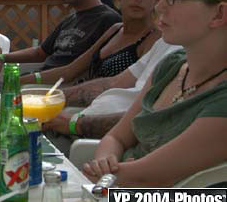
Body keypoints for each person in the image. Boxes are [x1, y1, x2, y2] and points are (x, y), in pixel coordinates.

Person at [83, 0, 227, 187]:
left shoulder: (222, 100)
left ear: (219, 13)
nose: (159, 6)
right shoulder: (172, 66)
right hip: (111, 196)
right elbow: (117, 136)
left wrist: (102, 176)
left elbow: (145, 175)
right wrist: (104, 160)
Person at [20, 0, 164, 86]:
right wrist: (18, 81)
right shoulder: (115, 30)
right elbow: (70, 71)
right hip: (80, 99)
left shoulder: (155, 39)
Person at [42, 38, 180, 152]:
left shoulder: (186, 63)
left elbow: (150, 121)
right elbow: (115, 82)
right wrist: (47, 99)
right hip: (83, 129)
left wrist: (74, 124)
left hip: (94, 143)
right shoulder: (166, 43)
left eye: (174, 2)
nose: (159, 6)